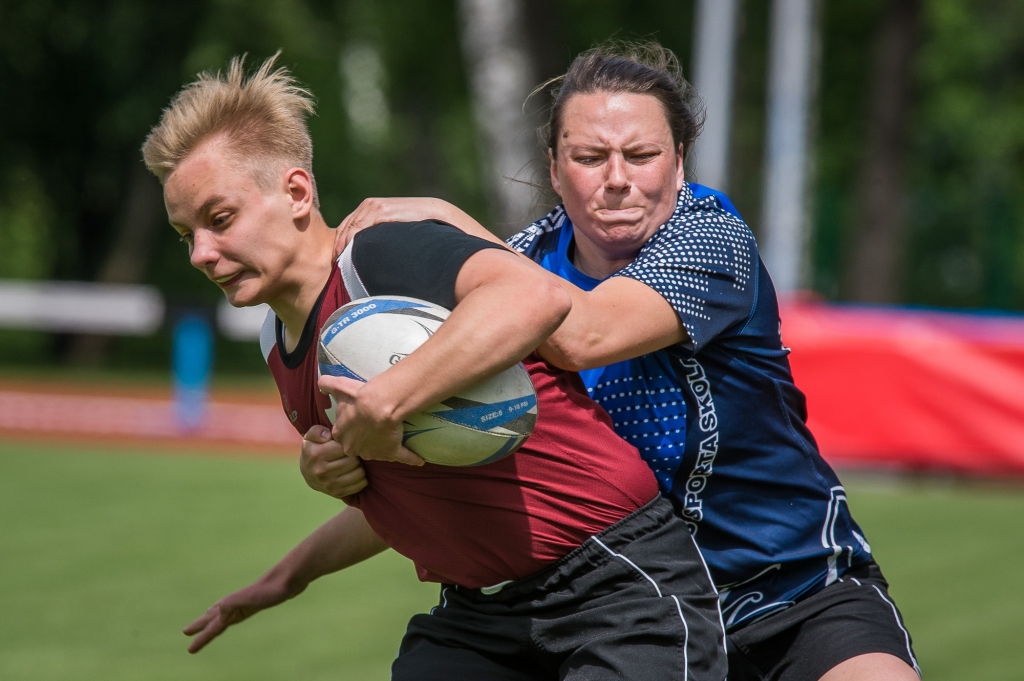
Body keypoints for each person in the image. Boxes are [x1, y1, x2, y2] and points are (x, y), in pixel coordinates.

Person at [311, 42, 921, 681]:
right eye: (589, 157)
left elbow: (582, 333)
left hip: (792, 595)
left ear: (679, 161)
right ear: (554, 169)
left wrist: (453, 222)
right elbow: (464, 450)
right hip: (619, 611)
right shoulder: (521, 265)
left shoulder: (710, 237)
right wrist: (355, 472)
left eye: (642, 154)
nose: (618, 177)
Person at [142, 54, 728, 680]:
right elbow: (422, 487)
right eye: (186, 234)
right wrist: (291, 571)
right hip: (478, 618)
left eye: (220, 219)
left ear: (296, 193)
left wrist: (385, 400)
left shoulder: (379, 255)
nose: (201, 252)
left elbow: (537, 296)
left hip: (618, 589)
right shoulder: (276, 342)